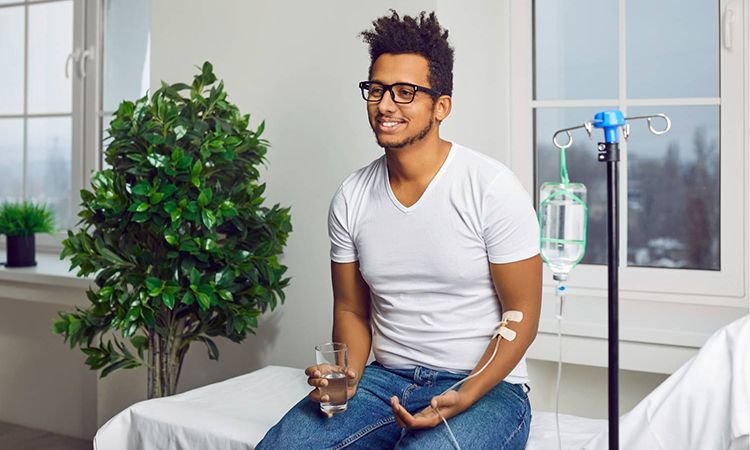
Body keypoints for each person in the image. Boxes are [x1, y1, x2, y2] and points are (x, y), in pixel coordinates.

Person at [257, 10, 541, 449]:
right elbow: (352, 309)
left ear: (441, 106)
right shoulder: (352, 196)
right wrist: (347, 377)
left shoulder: (491, 188)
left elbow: (521, 312)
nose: (385, 105)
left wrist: (465, 392)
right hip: (383, 383)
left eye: (405, 92)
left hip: (485, 387)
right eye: (377, 89)